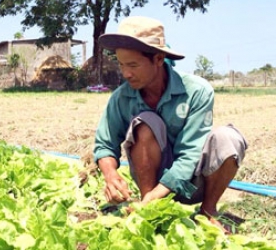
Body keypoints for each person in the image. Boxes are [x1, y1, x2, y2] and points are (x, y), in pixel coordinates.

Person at [94, 16, 248, 233]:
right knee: (145, 123)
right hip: (151, 179)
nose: (125, 73)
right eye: (121, 64)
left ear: (158, 59)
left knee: (229, 138)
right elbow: (104, 145)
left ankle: (207, 211)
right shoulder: (121, 98)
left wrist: (159, 193)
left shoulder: (197, 91)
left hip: (193, 182)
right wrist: (111, 175)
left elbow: (191, 153)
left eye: (133, 65)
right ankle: (153, 210)